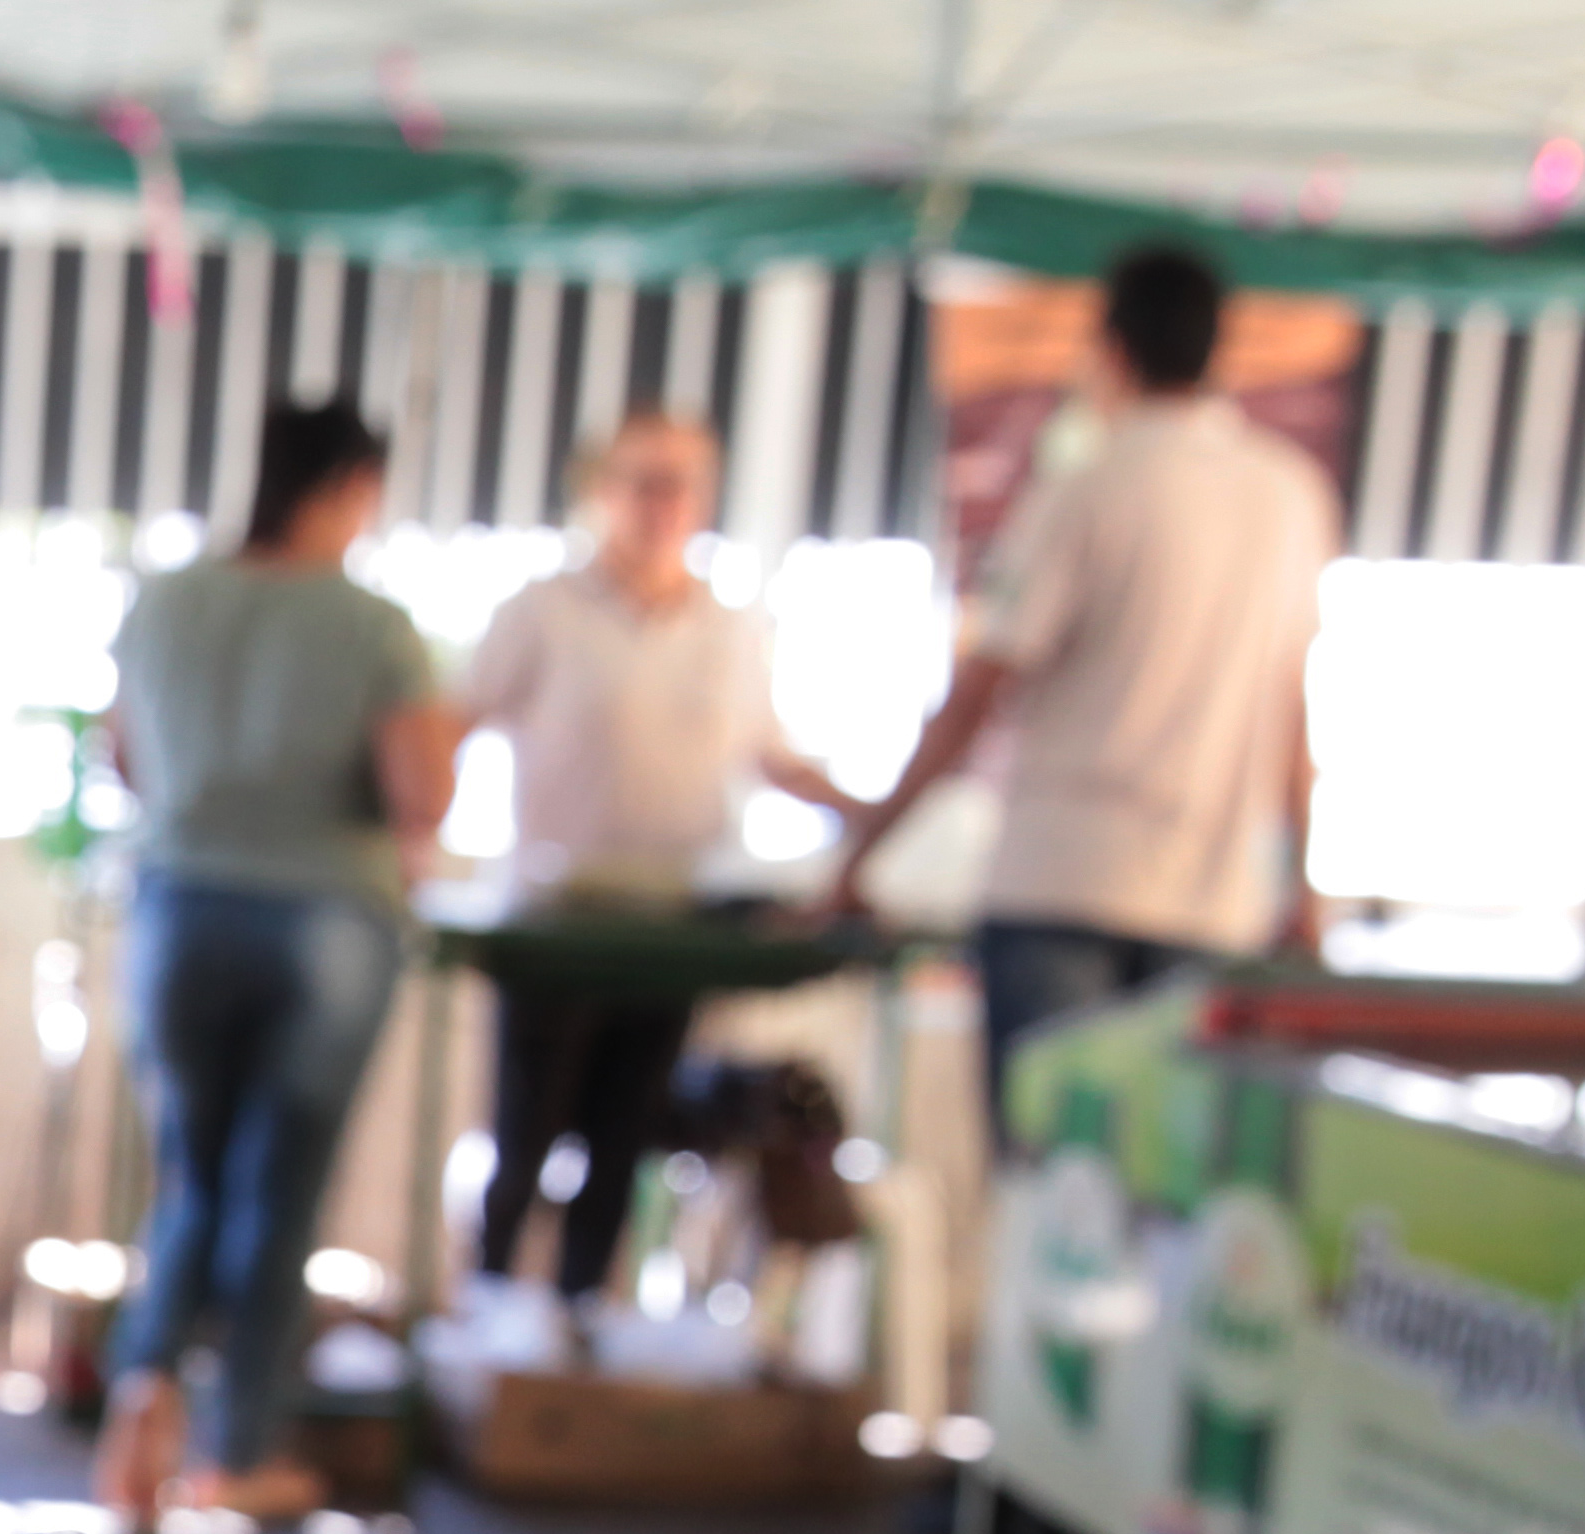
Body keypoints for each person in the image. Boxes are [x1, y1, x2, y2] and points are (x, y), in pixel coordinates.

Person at [829, 238, 1335, 1158]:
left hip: (1063, 883)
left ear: (1111, 348)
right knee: (1169, 1193)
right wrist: (1305, 887)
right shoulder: (1290, 497)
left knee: (1047, 1182)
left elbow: (979, 694)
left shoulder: (1088, 487)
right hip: (1215, 901)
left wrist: (861, 857)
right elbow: (1294, 712)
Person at [94, 401, 453, 1525]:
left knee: (189, 1179)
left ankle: (144, 1396)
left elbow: (125, 757)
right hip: (328, 919)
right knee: (281, 1190)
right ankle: (240, 1450)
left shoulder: (166, 602)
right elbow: (421, 794)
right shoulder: (374, 627)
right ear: (350, 487)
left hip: (180, 907)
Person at [448, 409, 867, 1327]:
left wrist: (877, 822)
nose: (663, 503)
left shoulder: (731, 624)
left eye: (682, 484)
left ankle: (579, 1325)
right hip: (556, 920)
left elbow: (772, 754)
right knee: (525, 1135)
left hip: (674, 922)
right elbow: (457, 723)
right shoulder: (542, 611)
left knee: (623, 1137)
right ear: (602, 491)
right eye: (644, 481)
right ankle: (484, 1319)